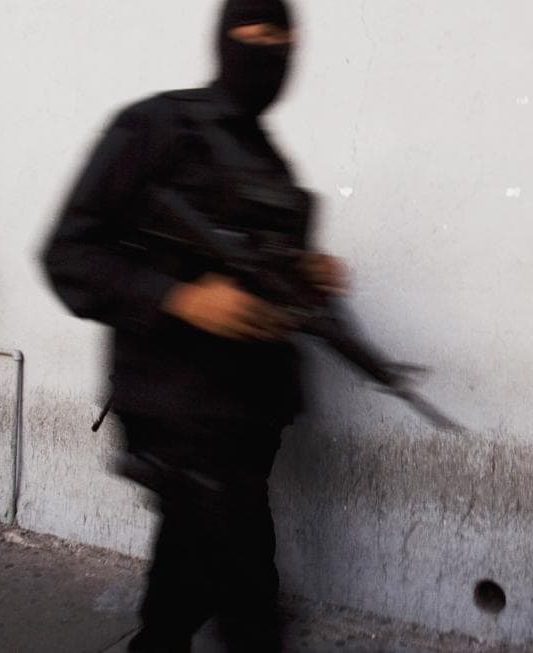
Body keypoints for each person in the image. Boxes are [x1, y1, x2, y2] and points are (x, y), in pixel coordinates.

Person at [43, 0, 344, 649]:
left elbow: (267, 278)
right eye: (256, 33)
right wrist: (180, 298)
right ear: (225, 38)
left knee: (185, 576)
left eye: (284, 38)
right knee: (249, 599)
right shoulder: (154, 126)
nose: (272, 51)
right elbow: (69, 253)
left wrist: (306, 274)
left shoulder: (268, 160)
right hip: (178, 411)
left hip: (248, 415)